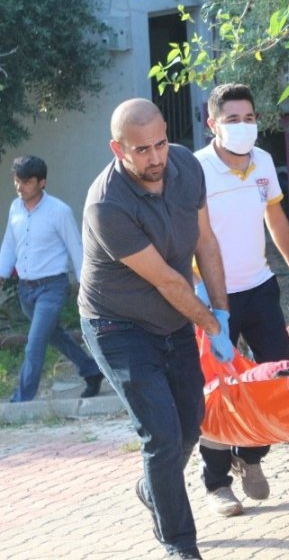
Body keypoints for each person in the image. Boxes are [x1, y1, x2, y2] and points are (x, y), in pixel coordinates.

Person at [78, 98, 234, 560]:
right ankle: (181, 545)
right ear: (117, 149)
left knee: (188, 428)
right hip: (117, 324)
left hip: (172, 318)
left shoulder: (186, 165)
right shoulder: (107, 204)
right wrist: (209, 324)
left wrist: (222, 312)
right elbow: (167, 278)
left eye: (160, 144)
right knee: (161, 436)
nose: (155, 157)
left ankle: (153, 488)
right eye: (141, 150)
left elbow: (204, 240)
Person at [192, 83, 289, 517]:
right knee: (219, 388)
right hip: (211, 296)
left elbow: (275, 216)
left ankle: (250, 455)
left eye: (249, 118)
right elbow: (194, 234)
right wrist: (202, 294)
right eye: (232, 119)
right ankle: (216, 483)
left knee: (277, 378)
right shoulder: (196, 169)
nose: (243, 127)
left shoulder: (262, 161)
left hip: (261, 287)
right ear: (213, 124)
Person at [0, 155, 103, 402]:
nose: (20, 186)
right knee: (53, 334)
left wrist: (83, 284)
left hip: (52, 288)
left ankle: (21, 401)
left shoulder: (59, 211)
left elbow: (75, 247)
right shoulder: (15, 208)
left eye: (27, 181)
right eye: (17, 180)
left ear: (41, 182)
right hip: (26, 291)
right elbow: (9, 245)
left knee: (34, 344)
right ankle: (91, 371)